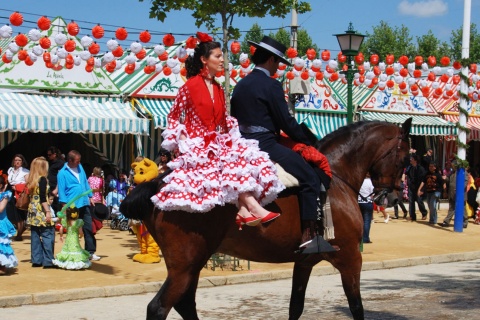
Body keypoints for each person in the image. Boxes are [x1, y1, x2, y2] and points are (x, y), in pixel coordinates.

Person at [151, 32, 283, 231]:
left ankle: (245, 210)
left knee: (243, 159)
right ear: (204, 59)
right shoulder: (190, 86)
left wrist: (232, 136)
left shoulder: (220, 88)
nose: (223, 60)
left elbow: (222, 121)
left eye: (222, 56)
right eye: (218, 56)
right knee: (229, 161)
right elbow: (173, 116)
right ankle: (249, 207)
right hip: (197, 144)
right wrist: (183, 137)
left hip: (218, 141)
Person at [230, 36, 328, 251]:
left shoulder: (240, 85)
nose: (278, 68)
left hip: (242, 144)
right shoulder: (271, 85)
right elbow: (285, 121)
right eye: (278, 63)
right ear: (272, 60)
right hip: (265, 144)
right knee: (310, 178)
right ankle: (309, 236)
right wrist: (308, 140)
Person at [57, 150, 100, 261]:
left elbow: (85, 182)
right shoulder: (62, 173)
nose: (79, 162)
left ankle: (90, 252)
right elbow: (61, 190)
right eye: (77, 161)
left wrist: (90, 196)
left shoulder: (80, 167)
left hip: (84, 202)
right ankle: (73, 252)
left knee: (88, 228)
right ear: (70, 160)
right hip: (72, 205)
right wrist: (64, 206)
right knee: (73, 229)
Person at [25, 157, 56, 268]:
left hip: (32, 209)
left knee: (35, 234)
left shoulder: (30, 179)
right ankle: (48, 260)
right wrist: (47, 211)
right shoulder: (42, 179)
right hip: (41, 209)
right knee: (48, 234)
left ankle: (36, 260)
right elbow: (43, 197)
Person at [439, 160, 469, 228]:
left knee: (462, 209)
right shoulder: (452, 172)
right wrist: (445, 178)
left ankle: (465, 222)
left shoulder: (463, 172)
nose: (452, 167)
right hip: (452, 193)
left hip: (460, 194)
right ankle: (446, 221)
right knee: (451, 208)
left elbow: (465, 182)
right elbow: (449, 180)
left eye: (453, 166)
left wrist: (459, 189)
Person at [7, 154, 29, 241]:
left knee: (18, 214)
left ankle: (19, 234)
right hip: (10, 191)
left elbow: (28, 183)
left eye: (19, 160)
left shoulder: (25, 171)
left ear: (22, 162)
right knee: (10, 212)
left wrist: (18, 187)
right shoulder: (10, 170)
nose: (17, 162)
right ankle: (21, 228)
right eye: (16, 160)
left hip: (19, 193)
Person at [0, 176, 18, 274]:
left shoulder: (4, 195)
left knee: (1, 245)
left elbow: (1, 209)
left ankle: (2, 266)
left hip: (1, 223)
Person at [406, 154, 428, 221]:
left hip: (419, 186)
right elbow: (408, 175)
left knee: (419, 201)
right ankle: (412, 216)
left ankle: (424, 213)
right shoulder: (410, 168)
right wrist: (409, 183)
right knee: (411, 201)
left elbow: (423, 180)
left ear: (415, 160)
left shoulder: (421, 169)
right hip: (411, 187)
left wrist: (421, 189)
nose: (410, 160)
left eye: (412, 159)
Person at [46, 146, 65, 212]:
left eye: (50, 155)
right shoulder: (50, 163)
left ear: (54, 154)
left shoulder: (60, 163)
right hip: (50, 187)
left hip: (56, 188)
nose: (48, 156)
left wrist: (56, 189)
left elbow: (61, 177)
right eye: (47, 155)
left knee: (56, 206)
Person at [358, 174, 374, 244]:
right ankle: (365, 238)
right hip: (367, 202)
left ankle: (360, 237)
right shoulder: (370, 182)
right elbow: (372, 194)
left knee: (360, 221)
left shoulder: (360, 180)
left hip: (359, 202)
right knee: (367, 221)